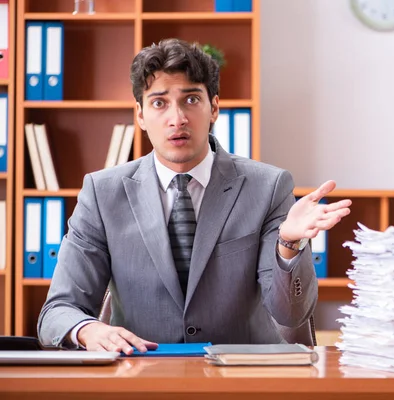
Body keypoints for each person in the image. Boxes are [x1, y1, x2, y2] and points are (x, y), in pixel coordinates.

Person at [37, 38, 352, 354]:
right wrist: (86, 329)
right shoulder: (102, 193)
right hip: (140, 374)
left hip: (242, 377)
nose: (177, 119)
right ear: (141, 115)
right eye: (159, 103)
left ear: (214, 107)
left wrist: (289, 243)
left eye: (190, 100)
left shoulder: (268, 186)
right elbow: (58, 311)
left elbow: (291, 314)